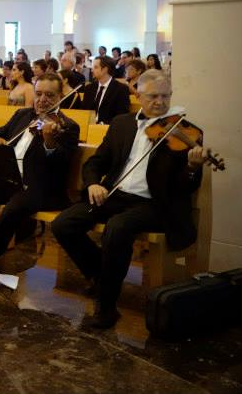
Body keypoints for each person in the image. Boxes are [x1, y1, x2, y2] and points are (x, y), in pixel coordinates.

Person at [53, 70, 205, 329]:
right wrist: (92, 184)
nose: (160, 102)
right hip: (116, 194)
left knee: (118, 228)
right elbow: (96, 161)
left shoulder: (186, 133)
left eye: (165, 96)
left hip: (155, 203)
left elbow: (185, 187)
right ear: (138, 95)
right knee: (63, 224)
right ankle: (101, 276)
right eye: (153, 96)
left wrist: (192, 167)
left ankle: (107, 306)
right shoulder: (122, 123)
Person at [0, 73, 80, 284]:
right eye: (38, 94)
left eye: (49, 95)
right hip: (9, 179)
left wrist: (49, 142)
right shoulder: (22, 115)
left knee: (11, 210)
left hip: (39, 186)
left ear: (60, 97)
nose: (42, 99)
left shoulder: (67, 126)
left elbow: (62, 164)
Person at [81, 56, 131, 124]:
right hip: (88, 126)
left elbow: (122, 115)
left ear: (105, 69)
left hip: (108, 127)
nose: (92, 70)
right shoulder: (89, 88)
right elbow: (84, 111)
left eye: (95, 67)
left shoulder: (121, 89)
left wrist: (103, 124)